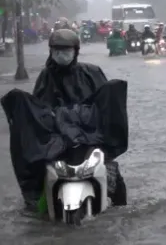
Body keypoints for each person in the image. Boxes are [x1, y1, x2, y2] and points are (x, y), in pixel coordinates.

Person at [8, 29, 128, 215]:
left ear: (75, 51)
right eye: (57, 50)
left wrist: (83, 118)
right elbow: (38, 111)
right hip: (57, 141)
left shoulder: (91, 72)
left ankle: (121, 207)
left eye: (66, 50)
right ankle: (35, 209)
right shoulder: (46, 77)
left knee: (112, 172)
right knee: (37, 177)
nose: (61, 55)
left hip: (89, 137)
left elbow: (104, 106)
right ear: (51, 51)